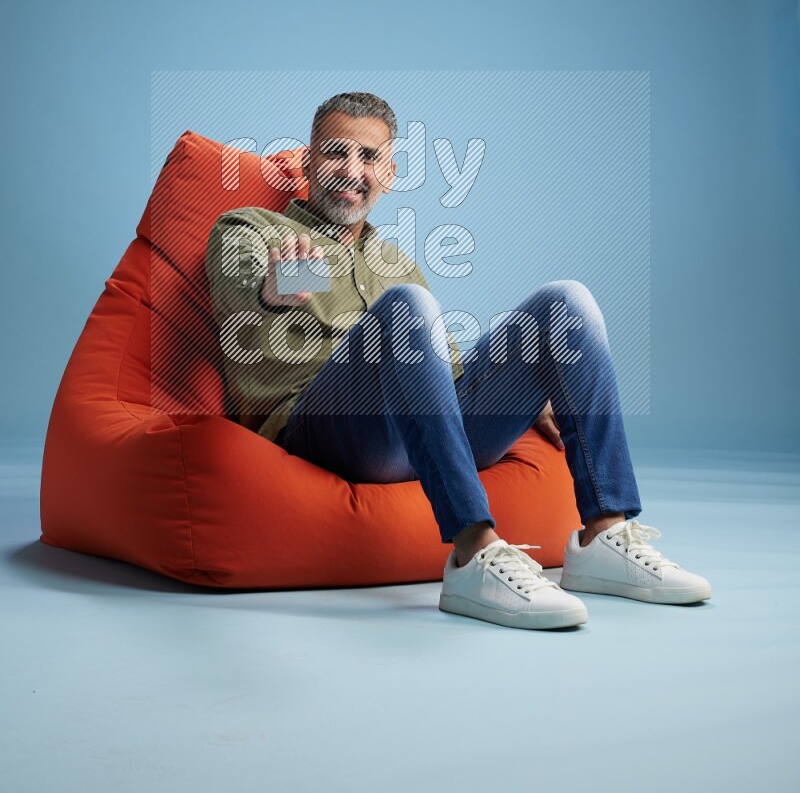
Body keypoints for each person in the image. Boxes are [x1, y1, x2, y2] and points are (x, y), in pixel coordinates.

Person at [205, 90, 712, 630]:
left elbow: (448, 377)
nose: (351, 171)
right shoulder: (252, 229)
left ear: (389, 175)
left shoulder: (395, 262)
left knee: (567, 302)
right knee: (407, 306)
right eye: (335, 153)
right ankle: (474, 553)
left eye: (369, 157)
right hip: (324, 432)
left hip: (423, 434)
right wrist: (275, 289)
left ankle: (604, 535)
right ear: (308, 161)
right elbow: (244, 288)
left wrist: (529, 387)